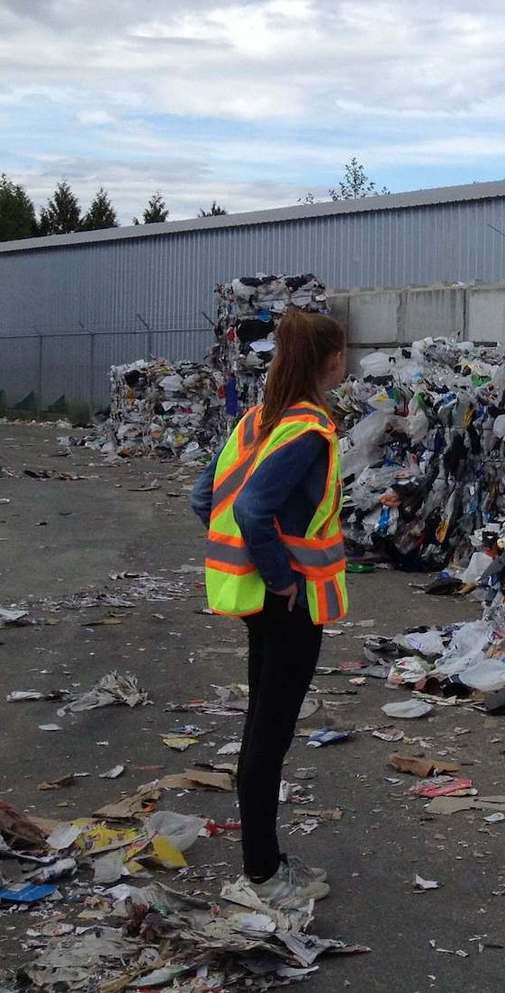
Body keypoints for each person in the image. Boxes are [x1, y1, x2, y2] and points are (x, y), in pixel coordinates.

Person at [191, 309, 350, 904]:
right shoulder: (308, 429)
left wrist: (251, 559)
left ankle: (266, 860)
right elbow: (255, 509)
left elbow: (203, 496)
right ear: (329, 359)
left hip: (261, 602)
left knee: (262, 725)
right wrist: (280, 574)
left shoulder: (260, 419)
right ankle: (262, 873)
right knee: (269, 734)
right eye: (344, 351)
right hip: (290, 603)